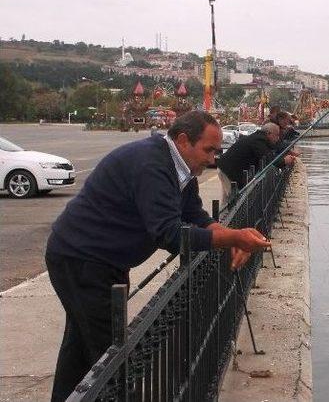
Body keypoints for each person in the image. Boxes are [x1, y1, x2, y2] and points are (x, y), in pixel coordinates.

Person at [45, 111, 270, 401]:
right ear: (183, 140)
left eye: (217, 151)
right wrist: (235, 237)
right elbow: (171, 235)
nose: (214, 159)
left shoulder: (182, 168)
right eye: (208, 150)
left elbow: (195, 216)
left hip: (102, 261)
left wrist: (230, 239)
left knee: (80, 349)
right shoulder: (152, 165)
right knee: (112, 361)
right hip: (81, 259)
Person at [217, 122, 295, 204]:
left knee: (229, 198)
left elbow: (274, 148)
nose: (278, 138)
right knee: (232, 199)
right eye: (277, 135)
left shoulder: (259, 139)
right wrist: (284, 161)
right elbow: (268, 159)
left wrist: (287, 152)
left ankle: (224, 215)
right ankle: (226, 215)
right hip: (228, 170)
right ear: (269, 133)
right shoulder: (258, 141)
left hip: (227, 168)